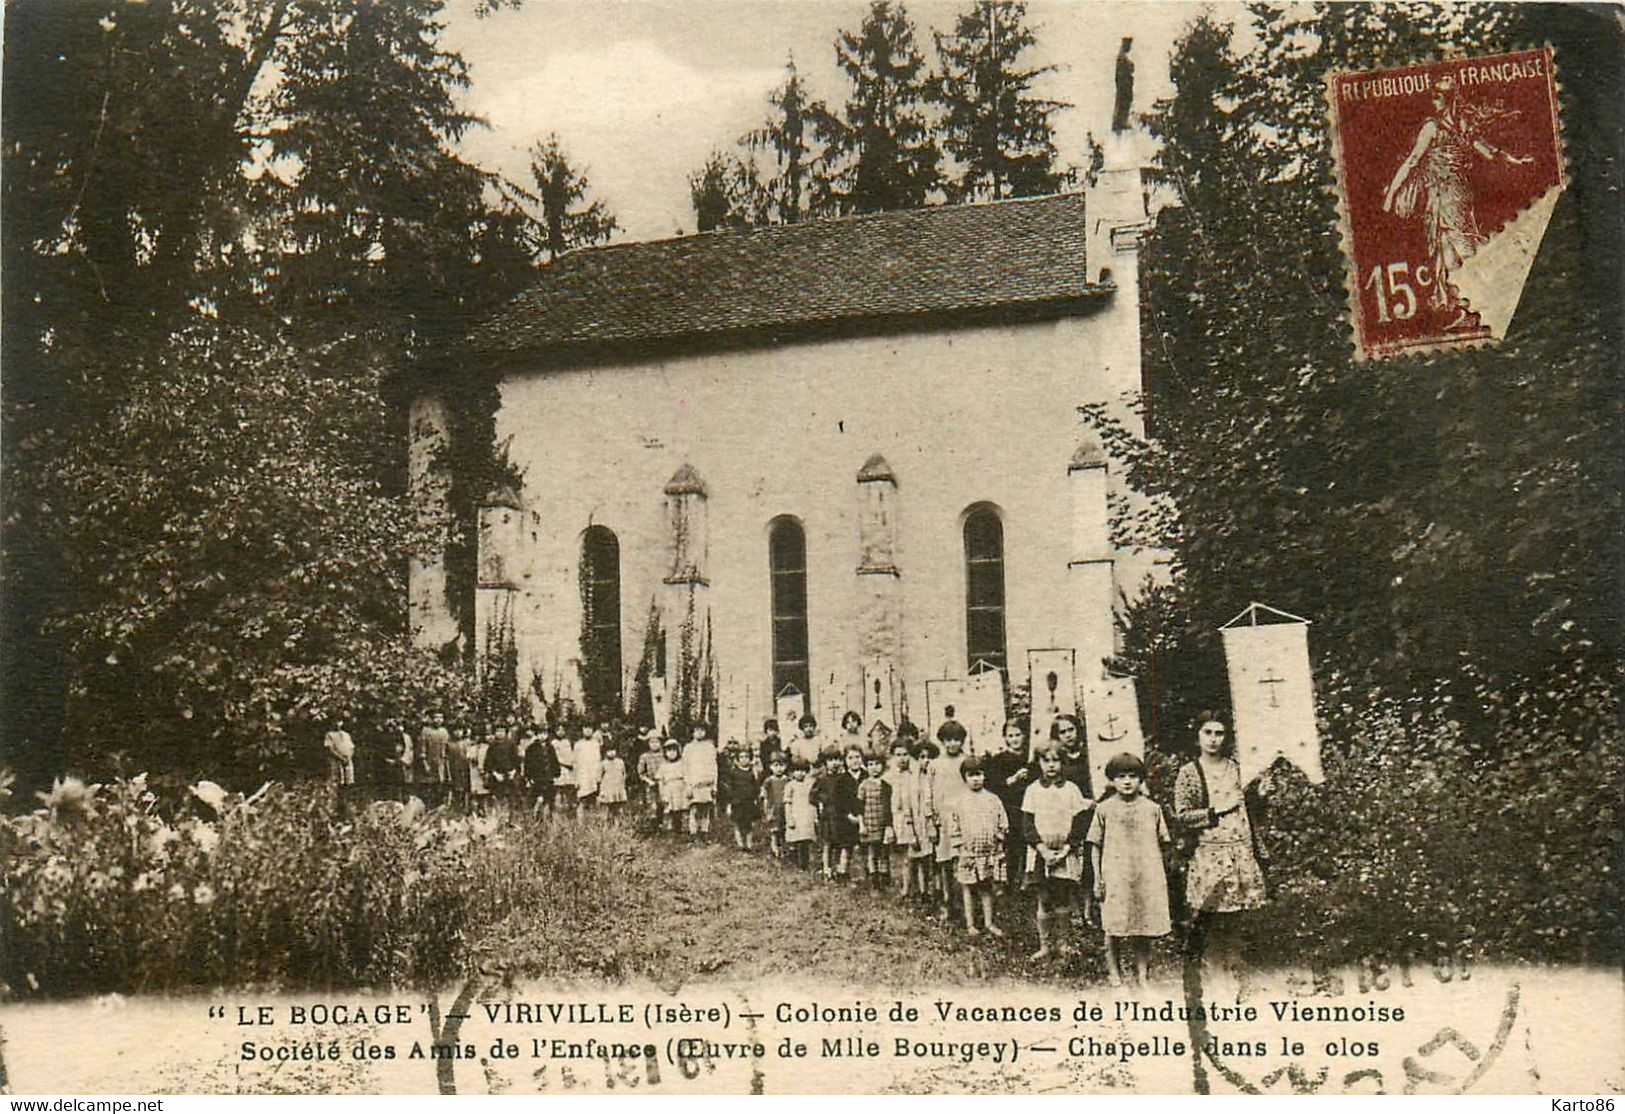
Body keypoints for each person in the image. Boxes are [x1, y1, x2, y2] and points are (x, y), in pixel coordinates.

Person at [1172, 713, 1270, 986]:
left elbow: (1253, 811)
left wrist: (1261, 794)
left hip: (1238, 848)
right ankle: (1214, 972)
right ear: (1198, 736)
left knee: (1237, 912)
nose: (1214, 739)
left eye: (1219, 733)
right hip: (1208, 850)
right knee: (1212, 912)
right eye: (1208, 733)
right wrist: (1214, 812)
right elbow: (1181, 815)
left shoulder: (1239, 769)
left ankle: (1234, 967)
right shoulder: (1189, 772)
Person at [1089, 752, 1171, 987]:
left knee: (1142, 927)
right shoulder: (1104, 809)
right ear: (1112, 780)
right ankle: (1114, 972)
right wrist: (1098, 878)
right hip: (1115, 876)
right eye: (1121, 776)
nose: (1127, 781)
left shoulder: (1152, 809)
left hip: (1145, 876)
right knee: (1114, 925)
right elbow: (1094, 845)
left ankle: (1142, 975)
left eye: (1132, 776)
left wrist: (1158, 876)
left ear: (1141, 779)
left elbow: (1163, 843)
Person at [1023, 740, 1094, 960]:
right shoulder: (1033, 790)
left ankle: (1063, 943)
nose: (1051, 765)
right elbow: (1027, 823)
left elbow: (1081, 822)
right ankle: (1045, 945)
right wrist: (1042, 849)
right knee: (1044, 897)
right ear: (1039, 763)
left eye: (1056, 760)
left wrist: (1067, 848)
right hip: (1040, 853)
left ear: (1063, 762)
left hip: (1064, 852)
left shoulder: (1071, 789)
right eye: (1046, 760)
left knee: (1063, 897)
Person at [951, 755, 1008, 937]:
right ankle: (970, 924)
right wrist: (960, 849)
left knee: (986, 887)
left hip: (988, 853)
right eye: (971, 775)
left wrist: (999, 841)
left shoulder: (993, 799)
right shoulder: (960, 801)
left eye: (979, 774)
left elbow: (1002, 822)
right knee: (968, 888)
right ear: (964, 777)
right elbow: (955, 826)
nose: (976, 779)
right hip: (968, 853)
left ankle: (989, 922)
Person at [985, 718, 1035, 886]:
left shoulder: (1030, 758)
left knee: (1026, 842)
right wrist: (1011, 780)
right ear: (1005, 738)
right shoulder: (999, 760)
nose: (1014, 739)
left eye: (1018, 735)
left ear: (1025, 736)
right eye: (1010, 735)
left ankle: (1026, 878)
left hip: (1027, 806)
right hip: (1008, 807)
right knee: (1010, 844)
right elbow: (992, 785)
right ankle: (1008, 879)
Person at [932, 720, 970, 921]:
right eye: (948, 740)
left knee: (962, 859)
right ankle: (947, 899)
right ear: (942, 741)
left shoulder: (967, 761)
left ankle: (965, 902)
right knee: (945, 860)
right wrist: (931, 819)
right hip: (943, 819)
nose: (953, 744)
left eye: (957, 740)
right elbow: (930, 793)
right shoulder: (936, 764)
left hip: (963, 818)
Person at [883, 739, 917, 897]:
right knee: (903, 854)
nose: (902, 758)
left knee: (915, 853)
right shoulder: (889, 777)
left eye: (905, 754)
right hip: (898, 816)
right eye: (898, 755)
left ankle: (915, 886)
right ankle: (905, 885)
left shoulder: (915, 774)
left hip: (914, 816)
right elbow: (885, 802)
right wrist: (889, 825)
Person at [907, 738, 939, 904]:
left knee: (934, 859)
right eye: (922, 757)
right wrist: (910, 830)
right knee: (919, 859)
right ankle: (921, 891)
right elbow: (908, 806)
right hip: (918, 824)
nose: (926, 761)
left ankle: (937, 891)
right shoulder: (913, 780)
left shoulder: (934, 777)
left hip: (934, 823)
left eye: (929, 757)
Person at [857, 751, 893, 888]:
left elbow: (889, 807)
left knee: (884, 852)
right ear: (866, 767)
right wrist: (861, 825)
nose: (874, 767)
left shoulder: (886, 785)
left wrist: (890, 826)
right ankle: (874, 878)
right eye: (870, 764)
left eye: (877, 764)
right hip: (869, 823)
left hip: (882, 823)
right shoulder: (863, 785)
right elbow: (859, 807)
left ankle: (885, 877)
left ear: (883, 766)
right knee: (872, 851)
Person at [719, 744, 761, 850]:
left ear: (750, 758)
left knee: (749, 824)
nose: (744, 759)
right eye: (741, 757)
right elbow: (730, 788)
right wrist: (729, 803)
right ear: (737, 759)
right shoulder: (734, 772)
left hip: (749, 802)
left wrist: (756, 799)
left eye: (746, 757)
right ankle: (740, 843)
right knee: (737, 823)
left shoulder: (752, 772)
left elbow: (756, 787)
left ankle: (749, 843)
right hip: (737, 802)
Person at [684, 724, 719, 838]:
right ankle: (693, 832)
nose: (699, 732)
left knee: (705, 809)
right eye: (697, 730)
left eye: (702, 730)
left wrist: (714, 785)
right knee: (694, 809)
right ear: (692, 732)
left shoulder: (710, 747)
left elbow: (714, 766)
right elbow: (685, 767)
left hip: (707, 782)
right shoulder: (688, 748)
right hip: (694, 783)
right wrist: (688, 785)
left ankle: (705, 831)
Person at [782, 756, 818, 870]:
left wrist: (815, 816)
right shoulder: (790, 786)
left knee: (805, 840)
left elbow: (813, 801)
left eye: (803, 770)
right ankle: (794, 861)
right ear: (792, 772)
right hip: (796, 815)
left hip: (807, 816)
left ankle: (804, 864)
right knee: (795, 840)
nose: (800, 773)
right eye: (797, 770)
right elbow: (787, 803)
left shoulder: (809, 785)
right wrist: (789, 819)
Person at [522, 721, 559, 814]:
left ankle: (548, 820)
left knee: (549, 800)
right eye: (540, 733)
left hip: (548, 778)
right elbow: (528, 764)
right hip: (537, 778)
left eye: (544, 733)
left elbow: (554, 761)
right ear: (536, 735)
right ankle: (536, 820)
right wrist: (529, 777)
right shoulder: (531, 748)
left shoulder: (550, 748)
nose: (542, 736)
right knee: (537, 800)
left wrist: (556, 774)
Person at [759, 751, 789, 858]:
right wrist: (766, 809)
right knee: (774, 830)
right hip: (774, 808)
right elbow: (764, 795)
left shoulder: (787, 780)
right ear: (771, 767)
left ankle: (784, 847)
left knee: (784, 828)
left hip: (784, 808)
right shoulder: (769, 780)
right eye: (776, 765)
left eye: (781, 765)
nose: (779, 768)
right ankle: (775, 848)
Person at [656, 739, 687, 833]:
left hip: (680, 788)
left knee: (679, 809)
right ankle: (669, 828)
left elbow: (686, 777)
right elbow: (660, 780)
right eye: (669, 751)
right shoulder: (663, 766)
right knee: (669, 809)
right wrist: (662, 793)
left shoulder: (682, 764)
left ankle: (680, 828)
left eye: (674, 750)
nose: (672, 753)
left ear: (678, 751)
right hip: (668, 788)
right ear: (665, 752)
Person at [637, 731, 665, 824]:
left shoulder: (664, 755)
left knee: (664, 803)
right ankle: (653, 826)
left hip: (664, 783)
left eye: (656, 742)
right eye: (651, 742)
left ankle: (664, 824)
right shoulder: (644, 756)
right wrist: (648, 781)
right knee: (652, 805)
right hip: (651, 784)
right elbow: (641, 773)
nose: (654, 744)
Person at [575, 722, 603, 812]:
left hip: (594, 776)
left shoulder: (596, 744)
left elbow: (599, 761)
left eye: (590, 728)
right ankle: (581, 824)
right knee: (582, 800)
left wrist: (599, 777)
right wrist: (576, 779)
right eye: (585, 728)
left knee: (594, 800)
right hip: (583, 776)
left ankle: (593, 823)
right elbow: (575, 763)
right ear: (582, 730)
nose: (587, 730)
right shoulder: (578, 745)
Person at [550, 721, 577, 814]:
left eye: (562, 730)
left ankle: (568, 810)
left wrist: (571, 763)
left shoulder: (568, 742)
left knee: (568, 790)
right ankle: (557, 810)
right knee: (558, 789)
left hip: (568, 770)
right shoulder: (553, 743)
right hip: (559, 768)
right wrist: (564, 762)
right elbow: (555, 757)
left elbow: (571, 755)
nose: (561, 732)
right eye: (558, 730)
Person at [598, 743, 629, 817]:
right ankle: (606, 824)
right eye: (609, 751)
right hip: (608, 788)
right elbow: (599, 777)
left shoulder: (620, 762)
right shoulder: (603, 763)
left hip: (618, 787)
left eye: (613, 750)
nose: (611, 753)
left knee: (618, 807)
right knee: (607, 808)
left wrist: (622, 783)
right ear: (605, 752)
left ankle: (618, 823)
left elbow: (624, 773)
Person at [324, 719, 356, 787]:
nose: (337, 724)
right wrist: (341, 758)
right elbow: (330, 749)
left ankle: (348, 795)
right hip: (336, 760)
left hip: (347, 760)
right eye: (335, 722)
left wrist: (349, 758)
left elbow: (351, 747)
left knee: (349, 781)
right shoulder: (330, 734)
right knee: (337, 781)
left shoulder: (346, 734)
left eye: (339, 722)